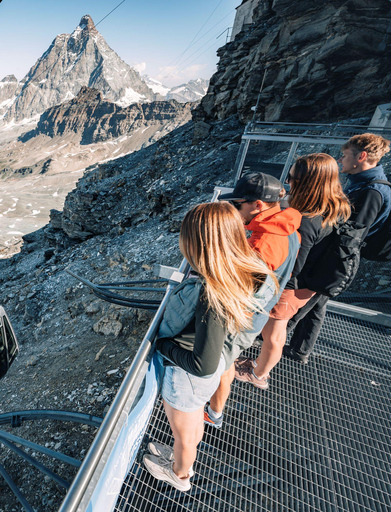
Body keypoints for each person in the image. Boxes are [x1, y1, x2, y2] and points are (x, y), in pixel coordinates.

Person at [143, 202, 277, 492]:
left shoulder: (213, 294)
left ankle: (179, 475)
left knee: (184, 433)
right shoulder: (249, 270)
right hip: (213, 366)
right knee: (192, 423)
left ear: (200, 245)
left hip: (189, 376)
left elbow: (201, 364)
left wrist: (163, 346)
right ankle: (184, 457)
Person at [234, 154, 351, 388]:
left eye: (292, 177)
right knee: (274, 334)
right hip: (311, 283)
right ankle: (260, 367)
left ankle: (259, 375)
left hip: (293, 287)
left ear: (308, 182)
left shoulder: (308, 220)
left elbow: (295, 264)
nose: (289, 183)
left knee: (274, 335)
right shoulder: (334, 207)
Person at [203, 173, 301, 428]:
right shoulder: (287, 229)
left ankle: (213, 413)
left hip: (243, 317)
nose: (235, 210)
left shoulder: (264, 242)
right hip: (259, 311)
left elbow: (242, 289)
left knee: (222, 362)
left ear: (257, 205)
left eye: (238, 205)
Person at [284, 134, 391, 363]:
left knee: (300, 306)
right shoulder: (364, 184)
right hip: (331, 257)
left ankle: (271, 348)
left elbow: (353, 234)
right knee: (315, 306)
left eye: (345, 155)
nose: (341, 160)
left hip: (333, 259)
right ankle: (299, 350)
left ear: (361, 156)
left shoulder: (371, 191)